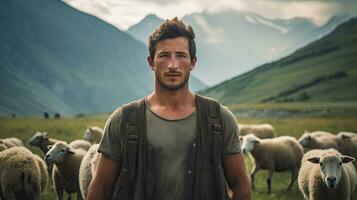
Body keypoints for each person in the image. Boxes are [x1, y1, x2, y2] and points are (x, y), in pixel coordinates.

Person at [87, 17, 251, 200]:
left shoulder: (219, 119)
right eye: (164, 56)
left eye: (181, 56)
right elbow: (101, 188)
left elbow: (240, 183)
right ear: (151, 62)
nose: (173, 65)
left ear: (193, 62)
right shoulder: (123, 119)